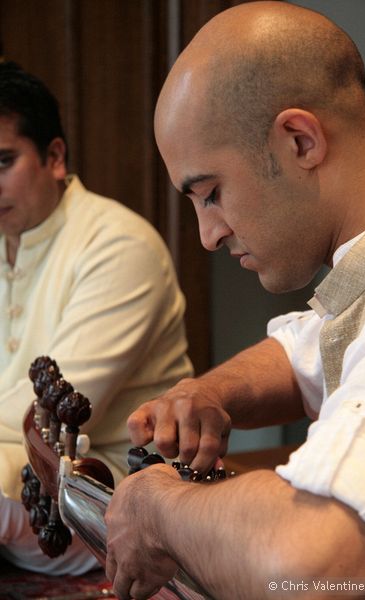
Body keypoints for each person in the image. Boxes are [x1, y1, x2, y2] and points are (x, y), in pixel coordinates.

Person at [104, 1, 365, 599]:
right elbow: (314, 345)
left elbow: (317, 570)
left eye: (211, 194)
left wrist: (156, 507)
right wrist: (204, 393)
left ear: (300, 140)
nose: (209, 235)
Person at [0, 61, 193, 575]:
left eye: (3, 161)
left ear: (55, 157)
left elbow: (44, 417)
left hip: (108, 513)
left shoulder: (118, 245)